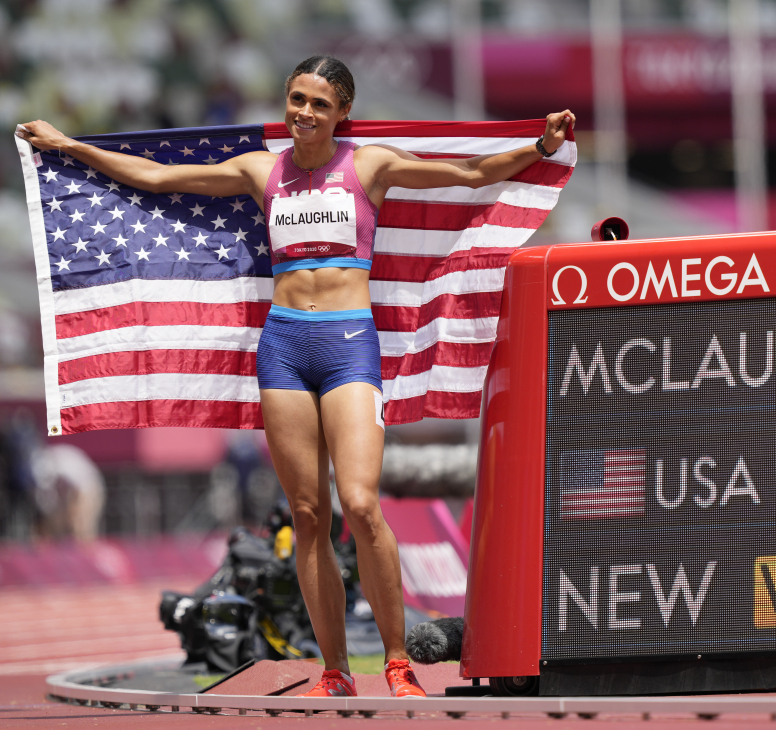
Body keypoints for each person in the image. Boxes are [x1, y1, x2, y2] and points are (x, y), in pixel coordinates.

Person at [18, 55, 575, 698]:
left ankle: (397, 662)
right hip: (282, 345)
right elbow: (159, 177)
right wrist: (69, 146)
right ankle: (336, 672)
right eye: (297, 99)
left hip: (349, 344)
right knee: (308, 514)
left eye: (319, 104)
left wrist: (540, 147)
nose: (304, 113)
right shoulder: (262, 169)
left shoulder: (370, 164)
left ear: (342, 113)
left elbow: (470, 174)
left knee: (359, 504)